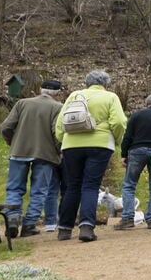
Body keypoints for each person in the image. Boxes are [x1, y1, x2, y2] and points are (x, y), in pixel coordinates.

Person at [54, 70, 128, 242]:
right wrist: (115, 140)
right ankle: (86, 227)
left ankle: (64, 229)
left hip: (71, 145)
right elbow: (118, 122)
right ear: (105, 83)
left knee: (72, 186)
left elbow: (59, 123)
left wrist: (64, 139)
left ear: (87, 82)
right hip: (100, 144)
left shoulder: (74, 95)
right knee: (90, 186)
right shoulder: (110, 97)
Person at [0, 79, 64, 237]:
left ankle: (12, 219)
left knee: (14, 188)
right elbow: (57, 134)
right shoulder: (58, 107)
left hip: (19, 152)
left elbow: (6, 127)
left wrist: (12, 142)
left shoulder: (22, 103)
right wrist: (59, 151)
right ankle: (29, 225)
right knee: (39, 191)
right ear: (58, 93)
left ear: (40, 89)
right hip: (45, 154)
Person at [115, 93, 151, 230]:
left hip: (137, 151)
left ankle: (127, 218)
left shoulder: (137, 115)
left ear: (147, 103)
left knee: (129, 184)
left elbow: (128, 136)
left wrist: (124, 154)